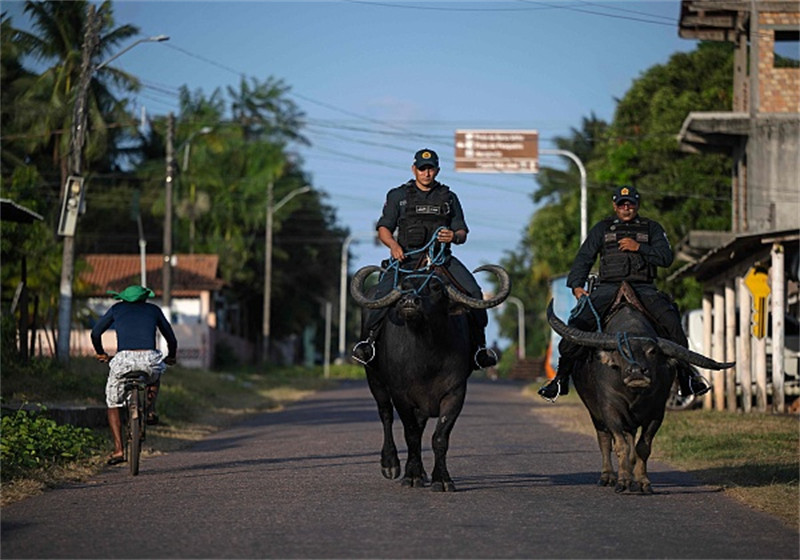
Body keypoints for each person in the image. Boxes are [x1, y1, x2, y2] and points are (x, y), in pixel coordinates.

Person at [538, 185, 710, 401]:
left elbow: (666, 258)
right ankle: (560, 380)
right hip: (608, 288)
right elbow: (584, 257)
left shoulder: (652, 228)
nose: (626, 208)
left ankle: (687, 378)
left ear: (637, 205)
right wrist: (576, 286)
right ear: (615, 206)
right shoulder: (602, 228)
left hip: (643, 289)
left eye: (630, 204)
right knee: (576, 328)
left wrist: (640, 248)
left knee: (673, 324)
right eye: (622, 204)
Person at [352, 148, 497, 370]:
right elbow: (383, 228)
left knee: (474, 294)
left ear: (437, 170)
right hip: (405, 260)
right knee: (380, 295)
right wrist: (393, 245)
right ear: (414, 169)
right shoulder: (398, 196)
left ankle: (479, 349)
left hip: (441, 261)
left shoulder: (449, 197)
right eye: (422, 169)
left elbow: (462, 232)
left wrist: (454, 236)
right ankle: (368, 343)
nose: (426, 173)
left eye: (430, 169)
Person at [91, 285, 177, 465]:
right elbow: (171, 337)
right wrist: (171, 356)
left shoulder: (117, 309)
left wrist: (101, 353)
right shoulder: (153, 310)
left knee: (113, 402)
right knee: (155, 375)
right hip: (149, 359)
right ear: (144, 298)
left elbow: (96, 332)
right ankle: (150, 409)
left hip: (124, 360)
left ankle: (118, 450)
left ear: (123, 298)